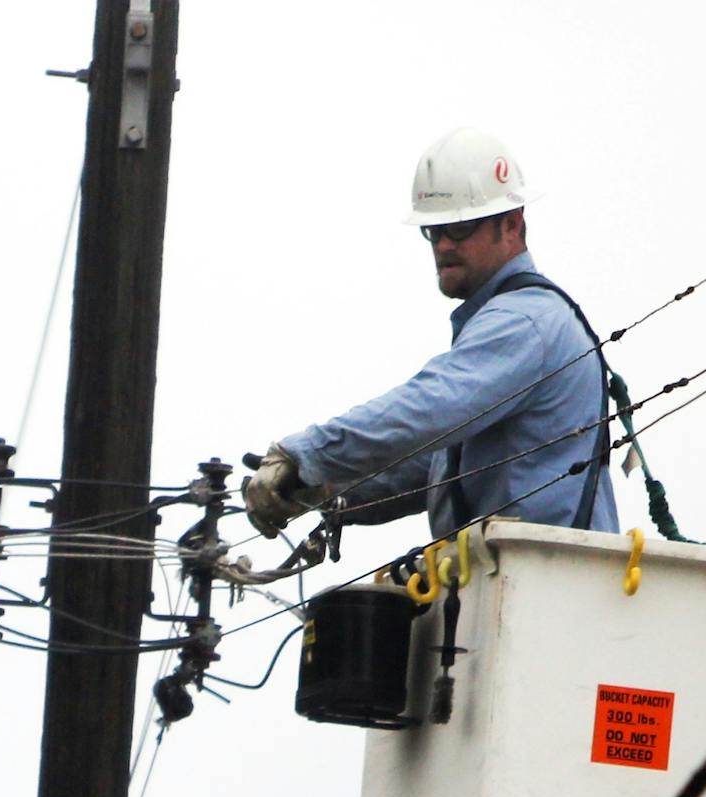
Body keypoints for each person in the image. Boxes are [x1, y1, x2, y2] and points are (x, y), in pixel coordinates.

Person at [244, 127, 619, 542]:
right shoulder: (508, 322)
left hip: (543, 587)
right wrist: (330, 490)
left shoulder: (524, 321)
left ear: (511, 225)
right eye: (434, 231)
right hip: (505, 582)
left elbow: (428, 408)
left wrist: (306, 455)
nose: (442, 246)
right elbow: (438, 468)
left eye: (459, 229)